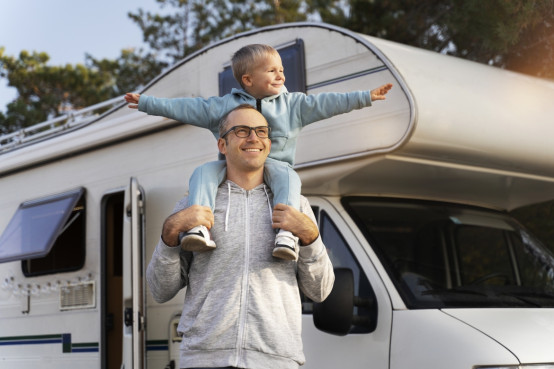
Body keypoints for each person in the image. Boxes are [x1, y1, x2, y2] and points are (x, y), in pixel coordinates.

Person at [126, 43, 392, 261]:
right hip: (234, 170)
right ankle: (199, 228)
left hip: (275, 166)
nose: (281, 76)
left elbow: (328, 103)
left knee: (290, 177)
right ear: (248, 80)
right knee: (203, 171)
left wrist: (365, 97)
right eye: (272, 70)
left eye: (282, 70)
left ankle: (286, 236)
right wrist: (147, 103)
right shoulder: (223, 106)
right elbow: (186, 108)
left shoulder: (293, 105)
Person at [147, 104, 335, 369]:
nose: (253, 138)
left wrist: (311, 237)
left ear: (269, 144)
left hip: (275, 360)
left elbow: (320, 291)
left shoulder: (297, 207)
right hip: (205, 359)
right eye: (242, 130)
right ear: (222, 145)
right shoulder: (193, 206)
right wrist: (168, 235)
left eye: (261, 131)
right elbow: (160, 290)